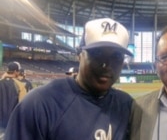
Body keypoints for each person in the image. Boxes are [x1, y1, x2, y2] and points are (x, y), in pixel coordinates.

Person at [4, 18, 133, 140]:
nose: (106, 65)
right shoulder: (40, 104)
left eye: (116, 56)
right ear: (79, 54)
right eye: (97, 53)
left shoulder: (126, 106)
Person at [0, 61, 27, 139]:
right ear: (15, 71)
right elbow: (23, 106)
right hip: (12, 121)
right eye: (18, 71)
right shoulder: (20, 85)